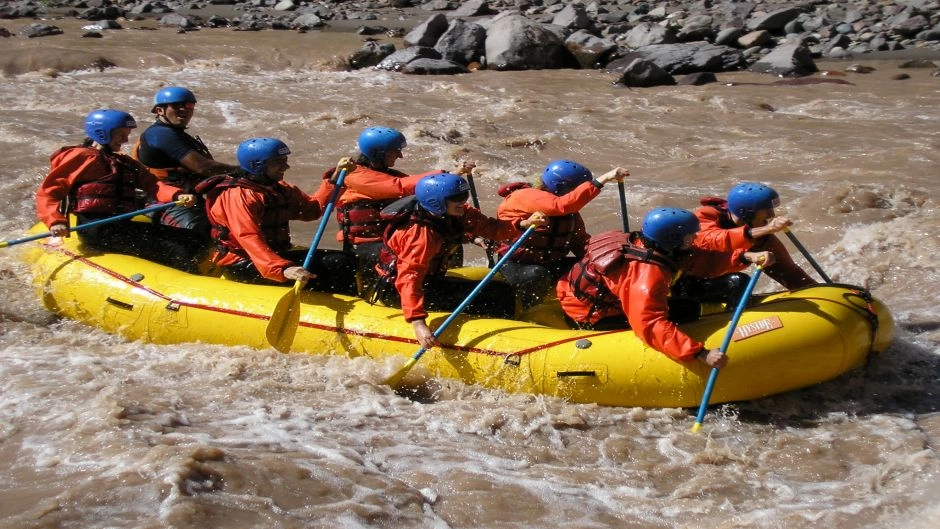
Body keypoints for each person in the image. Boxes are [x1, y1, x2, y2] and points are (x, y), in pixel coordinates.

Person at [370, 173, 547, 349]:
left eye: (464, 196)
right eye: (456, 198)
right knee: (496, 296)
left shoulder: (459, 212)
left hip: (430, 281)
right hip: (397, 291)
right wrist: (418, 323)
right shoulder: (420, 235)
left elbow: (493, 229)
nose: (463, 201)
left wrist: (524, 224)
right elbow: (409, 278)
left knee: (500, 291)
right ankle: (499, 346)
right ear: (435, 202)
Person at [35, 109, 205, 272]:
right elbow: (49, 192)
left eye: (127, 135)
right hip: (97, 231)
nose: (125, 140)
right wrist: (55, 221)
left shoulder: (124, 162)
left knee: (194, 239)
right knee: (177, 250)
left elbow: (153, 185)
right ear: (103, 133)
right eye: (121, 135)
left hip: (122, 226)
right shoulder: (82, 157)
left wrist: (177, 194)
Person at [556, 207, 726, 368]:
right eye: (690, 237)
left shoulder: (642, 242)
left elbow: (698, 259)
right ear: (672, 241)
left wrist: (743, 258)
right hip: (590, 317)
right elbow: (649, 324)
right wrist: (700, 353)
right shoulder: (647, 276)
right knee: (688, 309)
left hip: (570, 295)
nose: (694, 240)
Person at [200, 137, 357, 294]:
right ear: (257, 165)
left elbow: (312, 210)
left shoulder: (279, 189)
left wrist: (335, 178)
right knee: (339, 263)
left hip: (274, 257)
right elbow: (248, 237)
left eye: (285, 160)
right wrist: (282, 268)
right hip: (244, 263)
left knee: (346, 261)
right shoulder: (238, 196)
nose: (286, 166)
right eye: (278, 162)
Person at [330, 126, 457, 290]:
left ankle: (433, 281)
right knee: (406, 254)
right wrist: (445, 175)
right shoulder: (355, 176)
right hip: (364, 246)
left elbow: (421, 194)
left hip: (389, 240)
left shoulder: (388, 174)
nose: (400, 155)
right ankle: (394, 289)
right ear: (378, 153)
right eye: (395, 151)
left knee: (447, 241)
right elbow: (400, 187)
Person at [494, 159, 630, 308]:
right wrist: (604, 179)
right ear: (560, 187)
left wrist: (609, 259)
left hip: (550, 264)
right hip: (514, 265)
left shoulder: (570, 215)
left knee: (595, 269)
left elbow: (581, 244)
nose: (579, 196)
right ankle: (529, 311)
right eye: (577, 190)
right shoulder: (524, 196)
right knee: (537, 274)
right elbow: (560, 205)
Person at [674, 182, 816, 305]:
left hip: (711, 282)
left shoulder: (760, 236)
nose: (772, 215)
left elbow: (788, 272)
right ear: (746, 213)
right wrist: (767, 229)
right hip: (680, 285)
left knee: (740, 282)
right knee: (738, 282)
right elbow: (713, 240)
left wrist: (817, 293)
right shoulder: (705, 218)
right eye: (767, 211)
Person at [133, 86, 238, 238]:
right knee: (196, 230)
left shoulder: (178, 135)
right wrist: (244, 171)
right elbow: (203, 168)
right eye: (176, 106)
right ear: (159, 111)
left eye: (189, 105)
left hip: (189, 198)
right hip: (166, 201)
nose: (184, 109)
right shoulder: (160, 134)